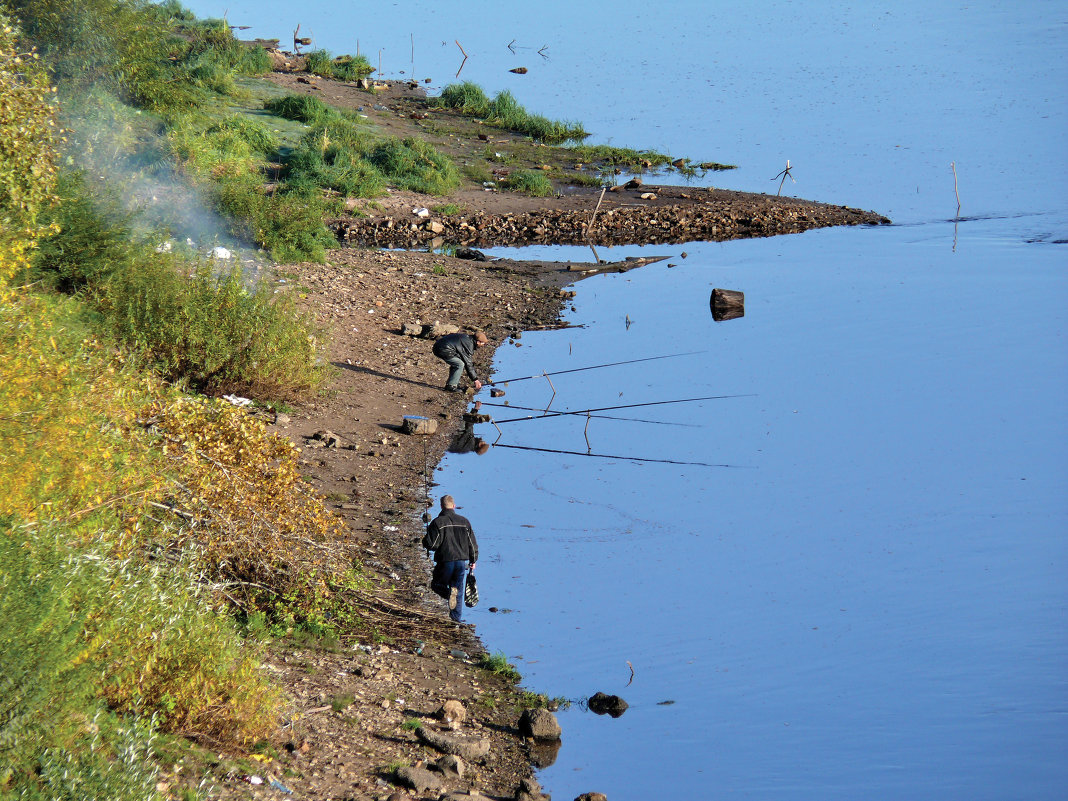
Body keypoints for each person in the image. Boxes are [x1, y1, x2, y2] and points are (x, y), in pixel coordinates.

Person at [422, 495, 478, 622]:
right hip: (461, 563)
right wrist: (473, 560)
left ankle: (448, 594)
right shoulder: (465, 522)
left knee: (436, 585)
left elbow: (432, 545)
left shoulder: (437, 522)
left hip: (445, 562)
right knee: (457, 590)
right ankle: (456, 621)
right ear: (454, 506)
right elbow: (472, 544)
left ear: (442, 506)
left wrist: (426, 539)